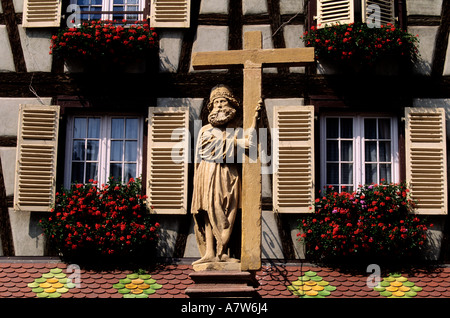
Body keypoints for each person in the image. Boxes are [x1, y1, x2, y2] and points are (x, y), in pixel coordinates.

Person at [191, 84, 261, 265]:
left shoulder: (236, 130)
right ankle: (209, 252)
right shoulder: (205, 130)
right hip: (207, 173)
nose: (220, 106)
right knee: (208, 209)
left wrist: (254, 120)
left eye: (223, 102)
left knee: (228, 210)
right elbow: (206, 150)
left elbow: (250, 144)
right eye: (216, 103)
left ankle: (223, 252)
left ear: (231, 105)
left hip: (229, 174)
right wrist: (236, 142)